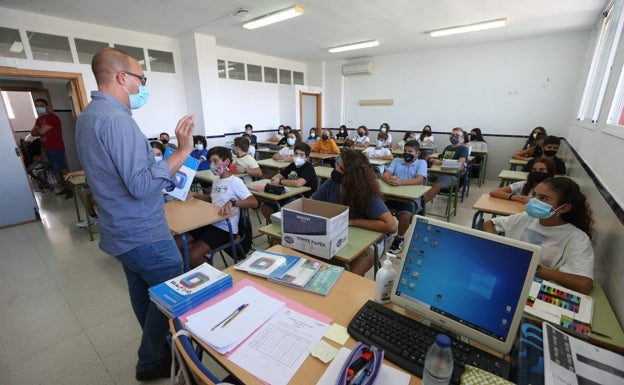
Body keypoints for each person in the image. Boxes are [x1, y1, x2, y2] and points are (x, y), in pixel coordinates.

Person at [75, 47, 196, 381]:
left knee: (143, 293)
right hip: (143, 232)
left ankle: (155, 354)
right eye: (142, 78)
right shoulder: (116, 120)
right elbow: (142, 185)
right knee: (171, 288)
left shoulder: (89, 117)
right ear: (122, 78)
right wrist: (183, 151)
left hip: (119, 231)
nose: (143, 86)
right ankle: (150, 358)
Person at [483, 177, 595, 294]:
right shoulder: (526, 217)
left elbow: (584, 284)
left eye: (543, 198)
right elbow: (489, 223)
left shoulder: (577, 238)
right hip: (507, 276)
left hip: (535, 287)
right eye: (535, 195)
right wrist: (494, 245)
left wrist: (532, 267)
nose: (533, 201)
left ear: (564, 208)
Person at [312, 149, 397, 275]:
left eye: (341, 169)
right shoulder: (332, 183)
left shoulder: (366, 193)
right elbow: (311, 203)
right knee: (315, 266)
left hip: (369, 244)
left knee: (347, 277)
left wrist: (352, 222)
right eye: (337, 165)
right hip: (339, 234)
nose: (336, 170)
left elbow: (391, 226)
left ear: (353, 176)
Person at [178, 146, 258, 269]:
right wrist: (195, 195)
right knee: (179, 242)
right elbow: (212, 199)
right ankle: (195, 273)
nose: (212, 165)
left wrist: (233, 202)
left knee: (193, 255)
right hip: (210, 222)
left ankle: (216, 278)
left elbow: (253, 202)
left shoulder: (235, 182)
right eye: (210, 162)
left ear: (226, 162)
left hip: (225, 228)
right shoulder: (216, 181)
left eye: (215, 161)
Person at [381, 140, 428, 253]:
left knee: (405, 216)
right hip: (393, 195)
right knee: (378, 209)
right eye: (405, 150)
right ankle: (386, 230)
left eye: (410, 151)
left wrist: (400, 182)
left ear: (417, 153)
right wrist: (390, 181)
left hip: (411, 199)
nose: (407, 153)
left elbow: (419, 179)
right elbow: (385, 175)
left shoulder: (421, 163)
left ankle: (399, 238)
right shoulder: (397, 160)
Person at [261, 142, 317, 223]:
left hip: (303, 198)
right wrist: (276, 178)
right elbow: (278, 175)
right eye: (296, 154)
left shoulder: (308, 168)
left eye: (301, 155)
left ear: (307, 157)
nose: (298, 157)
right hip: (288, 194)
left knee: (285, 210)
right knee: (266, 208)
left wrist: (280, 181)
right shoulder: (292, 165)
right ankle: (277, 227)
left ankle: (285, 228)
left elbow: (298, 183)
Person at [30, 98, 72, 198]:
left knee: (62, 169)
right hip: (46, 148)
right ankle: (65, 188)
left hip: (56, 147)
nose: (39, 108)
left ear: (46, 106)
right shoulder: (39, 119)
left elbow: (40, 132)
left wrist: (38, 131)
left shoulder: (52, 118)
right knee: (57, 170)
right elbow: (32, 133)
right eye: (37, 106)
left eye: (41, 105)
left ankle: (71, 190)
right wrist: (38, 131)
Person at [425, 127, 469, 202]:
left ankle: (421, 206)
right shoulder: (447, 147)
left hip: (453, 176)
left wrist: (440, 162)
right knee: (422, 178)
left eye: (457, 135)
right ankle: (416, 200)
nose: (453, 136)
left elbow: (460, 163)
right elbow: (441, 160)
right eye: (452, 134)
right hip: (440, 172)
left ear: (462, 138)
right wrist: (434, 161)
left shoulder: (463, 149)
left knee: (437, 184)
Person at [489, 157, 555, 203]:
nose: (537, 172)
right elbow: (494, 192)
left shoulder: (555, 188)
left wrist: (533, 201)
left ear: (550, 172)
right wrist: (514, 197)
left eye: (541, 170)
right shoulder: (523, 184)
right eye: (534, 169)